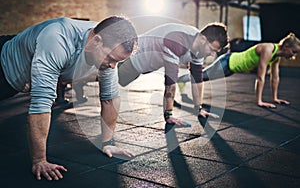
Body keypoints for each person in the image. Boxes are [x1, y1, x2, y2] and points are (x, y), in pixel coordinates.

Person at [0, 16, 137, 181]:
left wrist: (107, 143)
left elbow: (110, 99)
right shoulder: (57, 39)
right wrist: (39, 160)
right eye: (111, 59)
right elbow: (41, 103)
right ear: (97, 41)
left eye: (118, 61)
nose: (113, 66)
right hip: (4, 68)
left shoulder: (107, 50)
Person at [118, 22, 229, 126]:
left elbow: (197, 79)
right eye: (211, 49)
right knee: (106, 79)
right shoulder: (177, 41)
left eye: (215, 51)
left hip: (141, 66)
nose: (212, 54)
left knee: (111, 81)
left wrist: (198, 109)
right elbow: (170, 80)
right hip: (129, 59)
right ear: (203, 39)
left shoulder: (199, 49)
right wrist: (169, 115)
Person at [177, 33, 300, 108]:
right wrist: (259, 101)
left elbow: (275, 78)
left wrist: (275, 98)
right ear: (286, 46)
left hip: (232, 68)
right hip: (228, 61)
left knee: (204, 76)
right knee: (202, 76)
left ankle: (182, 79)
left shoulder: (276, 56)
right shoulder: (268, 49)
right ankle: (180, 79)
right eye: (294, 52)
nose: (294, 55)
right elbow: (260, 76)